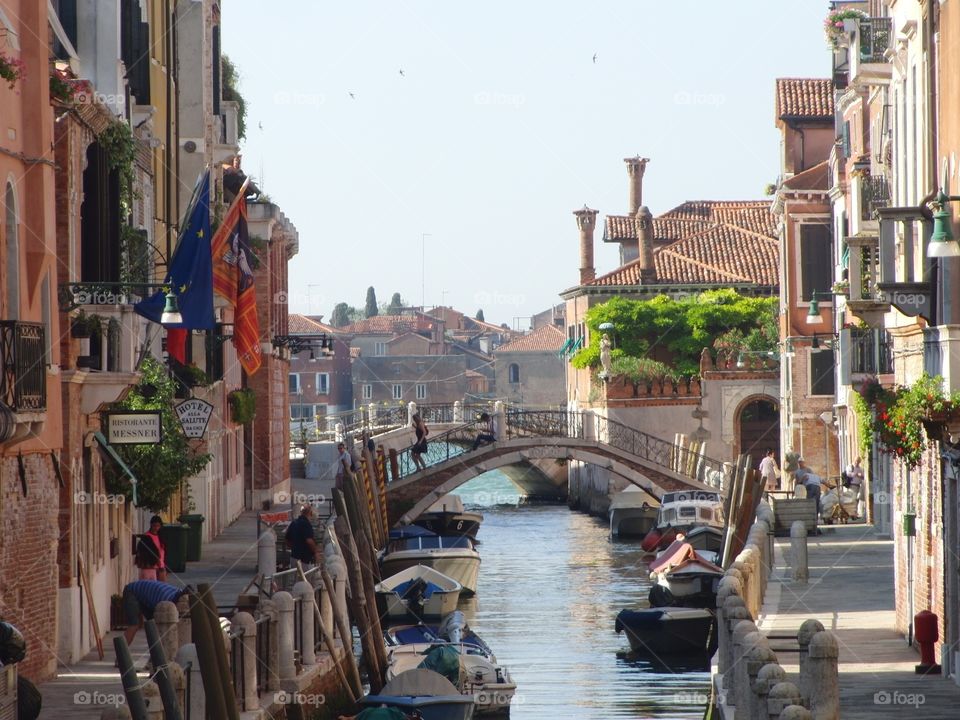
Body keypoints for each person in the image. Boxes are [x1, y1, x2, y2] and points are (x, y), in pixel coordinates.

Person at [121, 579, 191, 646]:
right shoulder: (166, 602)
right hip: (131, 591)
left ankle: (155, 654)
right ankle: (120, 656)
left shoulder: (179, 593)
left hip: (146, 593)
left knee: (153, 626)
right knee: (134, 626)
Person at [136, 515, 167, 581]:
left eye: (158, 526)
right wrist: (155, 560)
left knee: (161, 587)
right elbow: (144, 552)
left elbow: (163, 550)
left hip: (161, 566)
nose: (156, 528)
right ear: (151, 525)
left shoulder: (161, 536)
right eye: (154, 526)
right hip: (150, 567)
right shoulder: (146, 537)